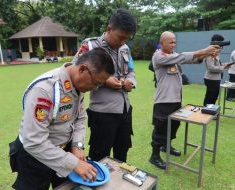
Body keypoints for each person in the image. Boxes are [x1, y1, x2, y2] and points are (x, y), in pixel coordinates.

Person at [9, 48, 114, 190]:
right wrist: (74, 163)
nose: (95, 89)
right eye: (96, 83)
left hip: (64, 152)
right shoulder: (44, 90)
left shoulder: (78, 85)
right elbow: (33, 141)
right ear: (83, 69)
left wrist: (77, 146)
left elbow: (80, 118)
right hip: (35, 157)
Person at [72, 9, 137, 162]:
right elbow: (76, 71)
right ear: (109, 29)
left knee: (122, 152)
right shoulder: (90, 45)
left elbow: (131, 72)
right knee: (100, 155)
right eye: (120, 37)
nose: (123, 42)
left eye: (126, 39)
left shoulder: (125, 49)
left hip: (125, 111)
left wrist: (130, 83)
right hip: (103, 113)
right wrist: (105, 79)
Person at [149, 31, 218, 170]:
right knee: (160, 129)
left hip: (175, 99)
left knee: (174, 125)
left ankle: (166, 147)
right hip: (163, 101)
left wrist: (206, 54)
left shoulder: (173, 56)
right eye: (170, 42)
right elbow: (184, 56)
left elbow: (190, 59)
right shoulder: (158, 56)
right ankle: (154, 156)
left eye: (175, 42)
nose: (174, 45)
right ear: (162, 43)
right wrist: (204, 50)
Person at [203, 34, 231, 106]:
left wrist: (224, 65)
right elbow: (211, 68)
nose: (221, 47)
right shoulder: (210, 53)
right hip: (211, 79)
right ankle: (206, 113)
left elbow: (216, 66)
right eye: (221, 43)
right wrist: (223, 67)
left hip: (214, 79)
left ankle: (209, 112)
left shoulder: (214, 53)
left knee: (213, 97)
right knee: (210, 98)